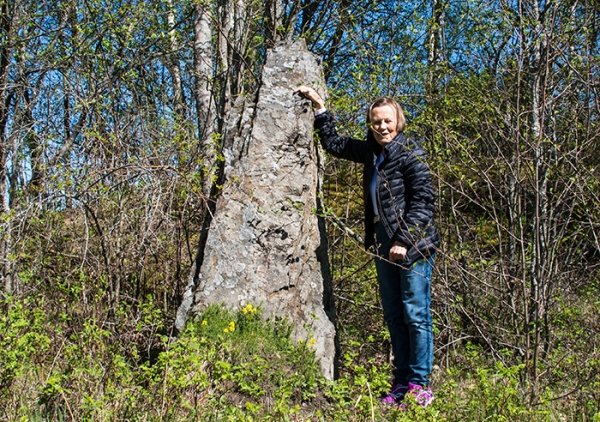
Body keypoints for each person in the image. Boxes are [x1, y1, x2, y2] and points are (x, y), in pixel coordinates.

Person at [294, 86, 440, 407]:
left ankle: (420, 385)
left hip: (412, 244)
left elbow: (424, 201)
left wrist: (404, 240)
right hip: (382, 242)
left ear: (398, 122)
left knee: (415, 314)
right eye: (376, 122)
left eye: (387, 121)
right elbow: (334, 145)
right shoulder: (371, 151)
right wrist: (320, 109)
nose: (382, 127)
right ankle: (401, 384)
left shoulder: (410, 152)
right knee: (393, 315)